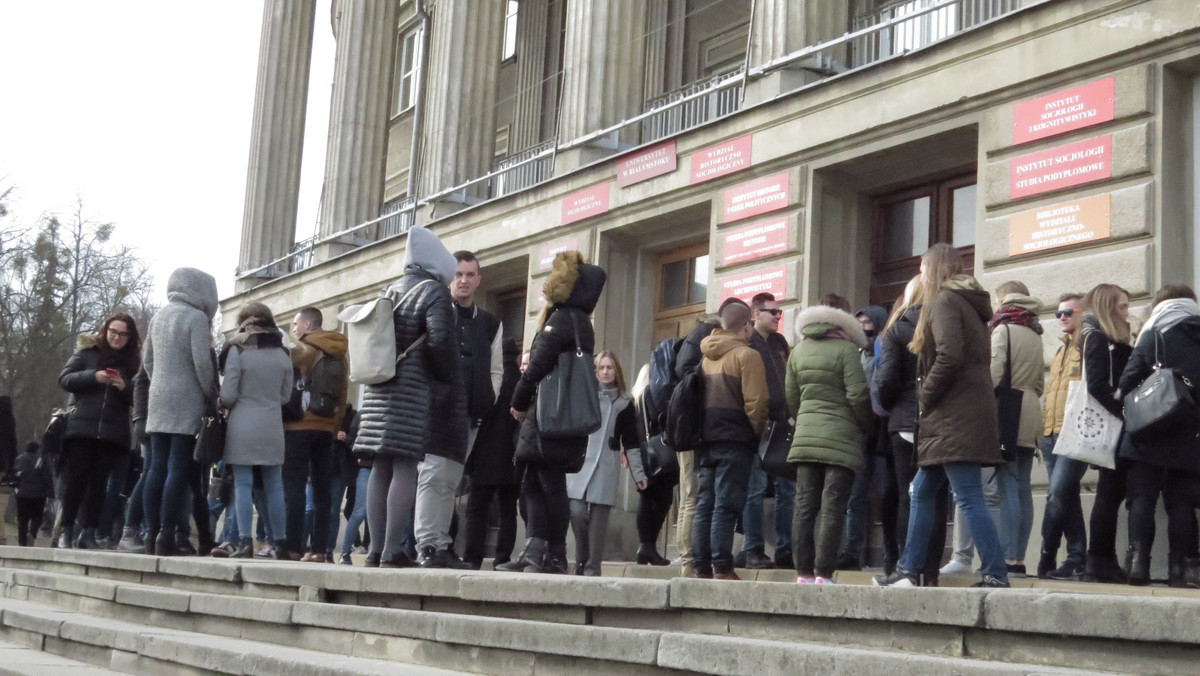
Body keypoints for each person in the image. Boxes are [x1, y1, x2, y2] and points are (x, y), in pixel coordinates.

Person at [875, 243, 1009, 588]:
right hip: (957, 415)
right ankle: (908, 570)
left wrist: (926, 395)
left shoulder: (944, 302)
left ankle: (995, 572)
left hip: (953, 417)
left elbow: (949, 355)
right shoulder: (965, 304)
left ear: (933, 269)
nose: (919, 274)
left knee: (967, 495)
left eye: (922, 268)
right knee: (921, 491)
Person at [355, 227, 466, 568]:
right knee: (405, 465)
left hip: (378, 390)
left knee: (380, 467)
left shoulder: (389, 289)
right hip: (412, 390)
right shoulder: (433, 293)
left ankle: (374, 550)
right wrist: (446, 377)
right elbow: (440, 341)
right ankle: (391, 549)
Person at [503, 251, 607, 574]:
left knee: (545, 483)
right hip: (565, 416)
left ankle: (548, 553)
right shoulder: (583, 324)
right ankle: (542, 552)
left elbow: (537, 366)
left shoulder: (561, 320)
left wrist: (518, 401)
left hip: (548, 414)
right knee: (540, 481)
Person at [414, 250, 502, 569]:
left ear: (478, 280)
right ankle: (426, 545)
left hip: (470, 414)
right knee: (433, 476)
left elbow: (496, 369)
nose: (463, 280)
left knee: (452, 481)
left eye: (469, 274)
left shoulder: (490, 323)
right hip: (436, 411)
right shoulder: (436, 312)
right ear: (449, 278)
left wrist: (487, 398)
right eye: (458, 274)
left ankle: (442, 545)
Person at [1118, 284, 1200, 587]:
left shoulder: (1153, 335)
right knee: (1180, 503)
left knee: (1141, 497)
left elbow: (1125, 384)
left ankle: (1139, 565)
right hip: (1190, 433)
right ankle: (1180, 571)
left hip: (1147, 432)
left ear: (1159, 305)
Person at [786, 303, 871, 583]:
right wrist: (863, 426)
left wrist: (805, 419)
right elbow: (858, 394)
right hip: (841, 436)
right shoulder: (846, 350)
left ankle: (803, 573)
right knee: (833, 504)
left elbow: (791, 396)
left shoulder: (798, 351)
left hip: (806, 437)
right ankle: (824, 573)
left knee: (804, 505)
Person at [874, 277, 948, 585]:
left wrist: (890, 402)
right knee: (938, 496)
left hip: (904, 420)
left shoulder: (898, 328)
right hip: (939, 418)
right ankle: (930, 572)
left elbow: (886, 378)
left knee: (910, 495)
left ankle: (907, 568)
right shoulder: (943, 325)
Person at [143, 267, 219, 556]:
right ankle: (166, 533)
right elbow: (202, 363)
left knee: (155, 468)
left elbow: (147, 361)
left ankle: (150, 533)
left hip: (157, 399)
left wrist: (159, 383)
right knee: (177, 468)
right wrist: (208, 392)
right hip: (186, 399)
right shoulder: (196, 318)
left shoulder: (158, 317)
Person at [691, 299, 768, 580]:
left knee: (705, 503)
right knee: (726, 505)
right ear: (746, 327)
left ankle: (701, 566)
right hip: (735, 440)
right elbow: (757, 404)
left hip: (706, 439)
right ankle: (722, 566)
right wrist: (755, 433)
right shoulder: (747, 356)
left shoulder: (705, 357)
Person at [210, 302, 293, 559]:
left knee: (243, 484)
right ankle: (279, 542)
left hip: (243, 424)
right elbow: (285, 396)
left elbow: (229, 394)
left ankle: (244, 541)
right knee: (275, 485)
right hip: (272, 424)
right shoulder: (283, 352)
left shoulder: (238, 349)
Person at [56, 313, 141, 549]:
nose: (117, 337)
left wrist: (124, 387)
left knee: (99, 484)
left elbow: (141, 397)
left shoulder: (133, 363)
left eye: (123, 334)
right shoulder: (87, 352)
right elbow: (65, 379)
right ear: (105, 331)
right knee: (75, 481)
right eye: (113, 331)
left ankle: (89, 532)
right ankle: (66, 531)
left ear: (130, 337)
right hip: (81, 427)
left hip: (113, 433)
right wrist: (94, 376)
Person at [1073, 283, 1134, 583]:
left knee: (1111, 493)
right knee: (1109, 494)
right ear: (1108, 308)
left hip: (1116, 427)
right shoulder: (1097, 339)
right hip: (1113, 427)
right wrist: (1123, 413)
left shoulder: (1110, 339)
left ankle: (1102, 560)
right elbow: (1097, 385)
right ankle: (1098, 560)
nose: (1127, 312)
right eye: (1122, 306)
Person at [282, 306, 349, 562]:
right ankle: (320, 549)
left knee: (295, 487)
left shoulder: (302, 349)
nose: (295, 330)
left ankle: (292, 546)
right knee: (323, 492)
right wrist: (334, 426)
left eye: (296, 324)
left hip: (298, 426)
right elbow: (343, 393)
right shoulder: (340, 353)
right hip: (325, 428)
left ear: (308, 325)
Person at [987, 281, 1045, 576]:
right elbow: (1039, 384)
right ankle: (1019, 556)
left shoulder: (1003, 330)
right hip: (1031, 410)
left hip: (1008, 413)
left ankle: (1009, 558)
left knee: (1008, 485)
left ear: (1003, 300)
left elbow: (994, 376)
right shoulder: (1035, 332)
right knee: (1022, 486)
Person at [738, 292, 795, 570]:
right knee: (755, 489)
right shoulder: (748, 341)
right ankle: (753, 549)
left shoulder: (780, 342)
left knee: (788, 488)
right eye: (772, 312)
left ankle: (786, 550)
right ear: (755, 313)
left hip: (784, 423)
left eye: (779, 312)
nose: (777, 316)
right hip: (757, 425)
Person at [568, 351, 637, 576]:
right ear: (595, 372)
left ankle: (591, 567)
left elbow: (632, 442)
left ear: (616, 371)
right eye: (601, 368)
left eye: (609, 368)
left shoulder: (625, 404)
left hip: (606, 465)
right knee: (577, 512)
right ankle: (581, 559)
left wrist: (639, 474)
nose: (605, 372)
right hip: (580, 463)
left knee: (598, 521)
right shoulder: (584, 397)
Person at [838, 303, 895, 572]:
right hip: (860, 433)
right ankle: (852, 551)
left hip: (884, 433)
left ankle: (892, 550)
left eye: (867, 323)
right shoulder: (855, 353)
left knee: (888, 494)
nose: (862, 328)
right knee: (855, 496)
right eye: (858, 323)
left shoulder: (886, 350)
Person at [1036, 292, 1085, 579]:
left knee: (1058, 493)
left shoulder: (1087, 346)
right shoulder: (1060, 351)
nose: (1062, 317)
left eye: (1068, 312)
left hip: (1073, 433)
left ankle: (1057, 555)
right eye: (1058, 314)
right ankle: (1067, 558)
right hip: (1051, 434)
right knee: (1066, 496)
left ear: (1083, 314)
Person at [462, 338, 522, 570]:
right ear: (517, 357)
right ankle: (502, 557)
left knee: (477, 509)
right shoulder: (520, 381)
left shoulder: (489, 380)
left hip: (483, 453)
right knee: (509, 511)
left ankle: (472, 557)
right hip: (512, 455)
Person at [672, 312, 722, 576]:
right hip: (692, 430)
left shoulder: (691, 343)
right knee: (692, 495)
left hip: (685, 429)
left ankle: (686, 559)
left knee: (688, 495)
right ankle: (688, 559)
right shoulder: (701, 343)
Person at [624, 364, 674, 566]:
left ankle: (646, 547)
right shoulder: (650, 396)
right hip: (655, 454)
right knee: (659, 499)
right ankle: (647, 546)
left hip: (641, 455)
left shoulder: (634, 399)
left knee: (649, 498)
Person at [13, 441, 52, 546]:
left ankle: (22, 541)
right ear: (37, 449)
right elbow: (47, 476)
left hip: (22, 493)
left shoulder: (18, 460)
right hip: (39, 494)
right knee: (37, 516)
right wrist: (51, 493)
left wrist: (15, 489)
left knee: (22, 518)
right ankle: (32, 533)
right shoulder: (41, 459)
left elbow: (14, 475)